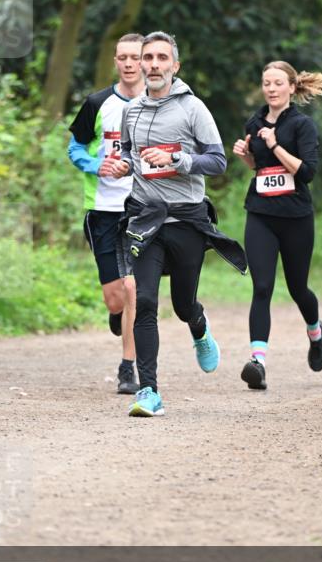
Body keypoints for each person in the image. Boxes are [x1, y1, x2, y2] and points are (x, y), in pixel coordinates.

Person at [107, 31, 246, 417]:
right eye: (147, 57)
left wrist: (178, 161)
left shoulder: (193, 109)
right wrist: (120, 167)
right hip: (146, 220)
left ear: (174, 66)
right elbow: (130, 158)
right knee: (145, 300)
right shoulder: (130, 111)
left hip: (185, 220)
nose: (152, 65)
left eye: (161, 58)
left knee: (183, 304)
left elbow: (217, 162)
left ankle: (198, 326)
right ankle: (148, 390)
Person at [232, 61, 322, 391]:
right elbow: (259, 168)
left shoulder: (303, 126)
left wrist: (274, 145)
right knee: (262, 287)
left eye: (277, 83)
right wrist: (245, 155)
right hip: (260, 213)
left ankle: (316, 333)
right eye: (266, 83)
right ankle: (257, 363)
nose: (271, 89)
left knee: (298, 288)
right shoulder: (254, 122)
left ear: (291, 87)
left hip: (296, 218)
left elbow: (306, 173)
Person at [68, 33, 145, 394]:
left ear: (146, 61)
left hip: (142, 209)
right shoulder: (97, 102)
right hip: (102, 210)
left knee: (133, 288)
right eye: (122, 57)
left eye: (135, 57)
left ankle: (128, 367)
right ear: (115, 61)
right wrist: (96, 165)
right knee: (115, 298)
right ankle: (116, 314)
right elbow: (75, 148)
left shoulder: (159, 104)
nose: (129, 64)